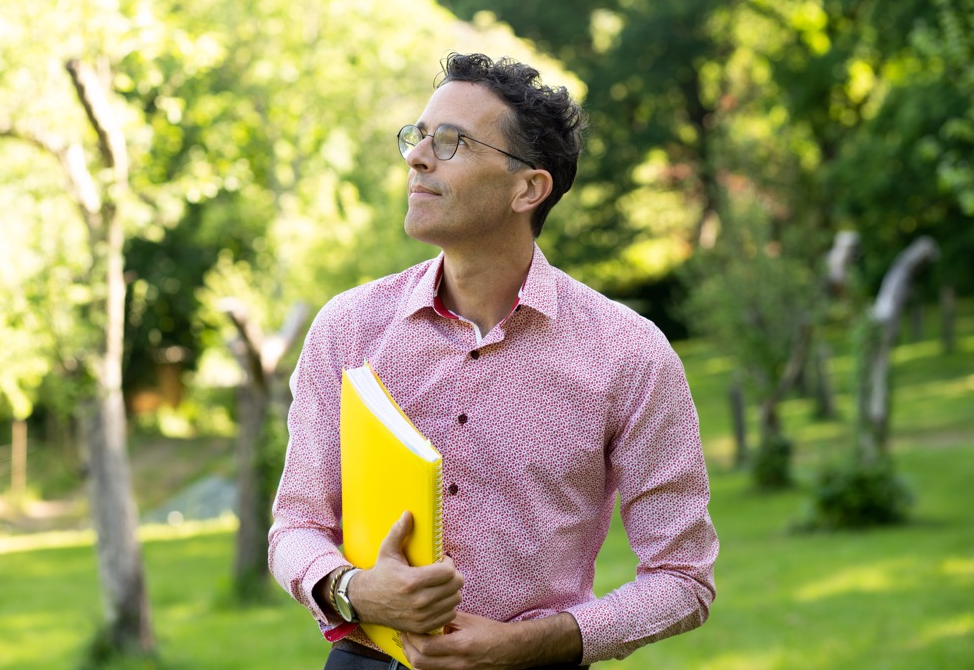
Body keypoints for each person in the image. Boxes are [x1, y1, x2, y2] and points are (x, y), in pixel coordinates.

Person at [269, 52, 719, 670]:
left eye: (450, 142)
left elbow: (682, 578)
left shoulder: (629, 353)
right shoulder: (347, 328)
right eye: (418, 136)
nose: (416, 157)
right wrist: (354, 590)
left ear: (528, 188)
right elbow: (296, 525)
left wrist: (527, 645)